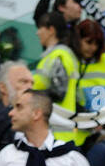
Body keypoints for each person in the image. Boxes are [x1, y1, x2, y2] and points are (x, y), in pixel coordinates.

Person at [70, 19, 105, 145]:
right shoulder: (70, 61)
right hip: (76, 130)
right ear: (78, 40)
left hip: (104, 133)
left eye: (96, 44)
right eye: (88, 42)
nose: (92, 48)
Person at [31, 12, 79, 144]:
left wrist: (29, 94)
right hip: (51, 132)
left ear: (51, 30)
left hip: (56, 135)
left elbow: (58, 92)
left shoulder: (59, 56)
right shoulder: (53, 55)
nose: (37, 33)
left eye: (41, 28)